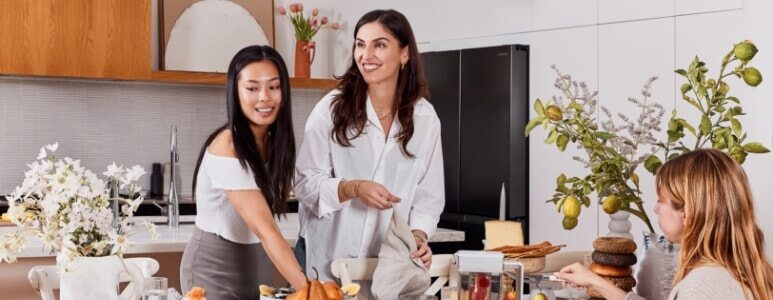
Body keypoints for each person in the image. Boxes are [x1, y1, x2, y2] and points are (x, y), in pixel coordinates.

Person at [293, 9, 445, 281]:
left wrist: (418, 236)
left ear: (404, 54)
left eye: (380, 45)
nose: (366, 55)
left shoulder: (425, 119)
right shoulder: (331, 109)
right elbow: (305, 184)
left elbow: (428, 198)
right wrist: (354, 188)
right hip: (326, 261)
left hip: (386, 268)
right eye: (360, 44)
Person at [556, 149, 773, 299]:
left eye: (661, 200)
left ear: (688, 213)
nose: (655, 208)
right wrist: (596, 283)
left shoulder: (700, 285)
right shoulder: (739, 272)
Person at [180, 45, 307, 299]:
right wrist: (310, 290)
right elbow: (266, 230)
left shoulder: (275, 142)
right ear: (235, 92)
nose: (264, 97)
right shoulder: (227, 146)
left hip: (257, 264)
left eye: (274, 87)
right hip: (212, 271)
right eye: (252, 88)